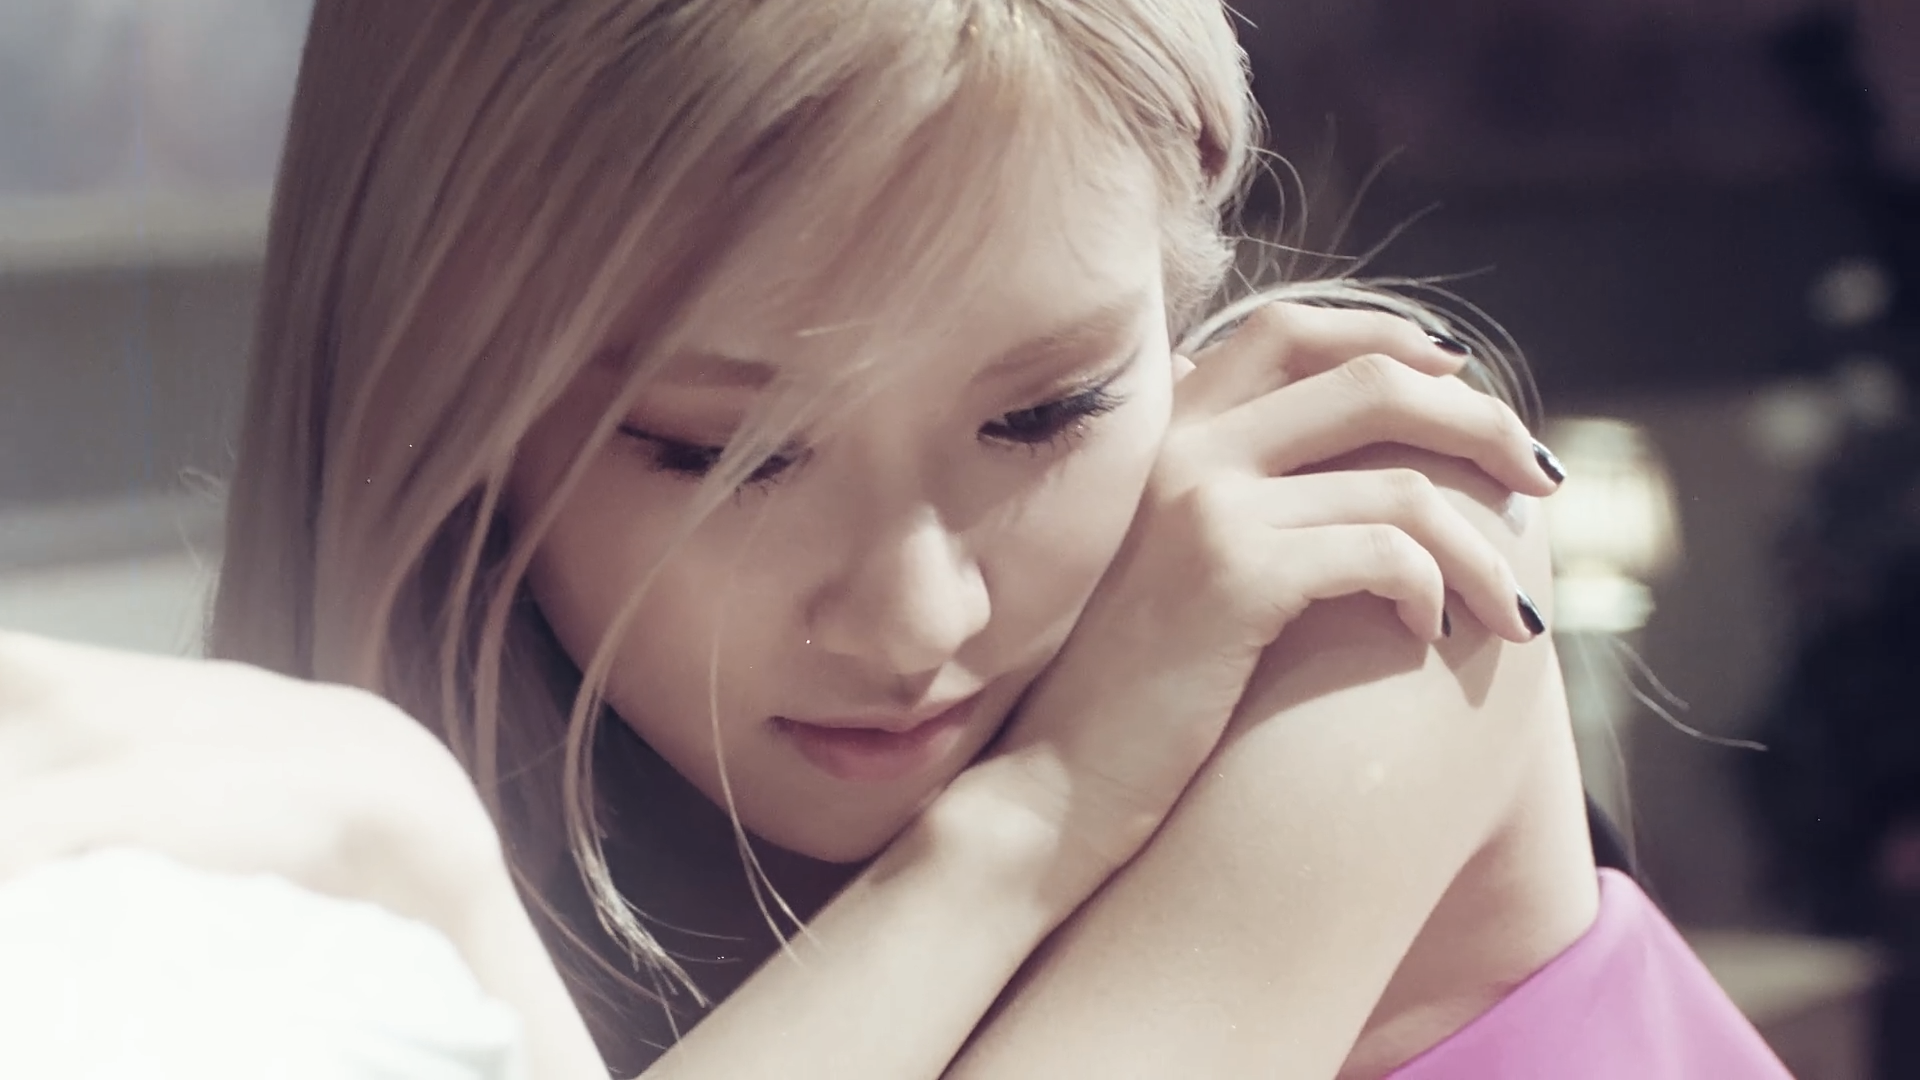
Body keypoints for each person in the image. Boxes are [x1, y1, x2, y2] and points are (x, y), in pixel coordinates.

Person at [0, 1, 1788, 1077]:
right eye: (722, 454)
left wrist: (1030, 820)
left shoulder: (1363, 560)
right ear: (449, 413)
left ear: (1183, 279)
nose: (917, 614)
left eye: (1050, 411)